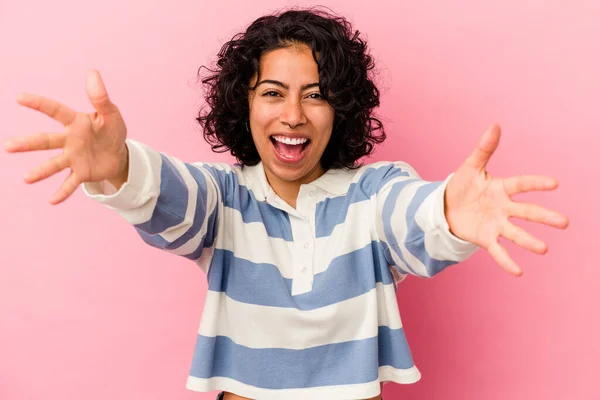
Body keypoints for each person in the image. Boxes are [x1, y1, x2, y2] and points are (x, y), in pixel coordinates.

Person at [3, 7, 569, 400]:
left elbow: (410, 213)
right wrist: (120, 165)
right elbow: (169, 194)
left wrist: (449, 212)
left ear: (340, 109)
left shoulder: (372, 194)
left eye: (316, 96)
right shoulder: (224, 198)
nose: (293, 115)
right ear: (243, 105)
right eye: (273, 93)